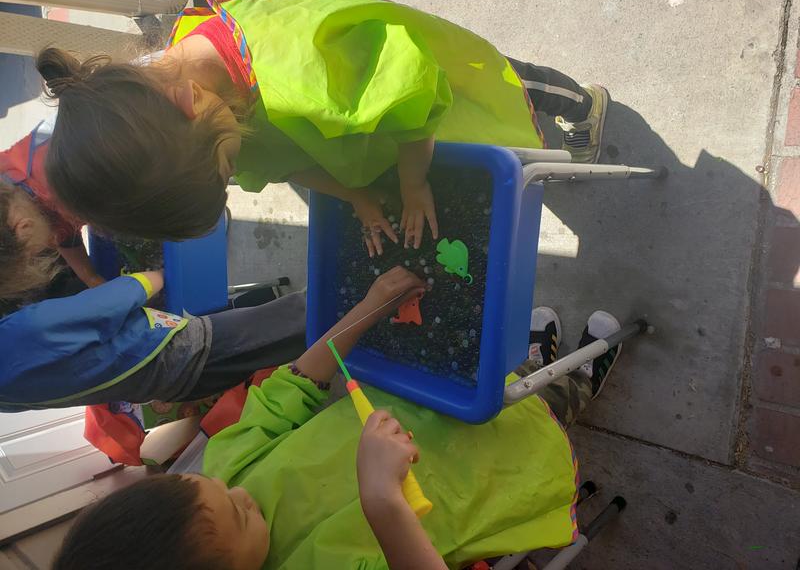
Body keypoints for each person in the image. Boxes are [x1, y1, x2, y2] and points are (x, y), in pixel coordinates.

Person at [51, 267, 623, 569]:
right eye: (239, 519)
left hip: (430, 406)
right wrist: (382, 501)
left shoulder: (226, 469)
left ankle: (538, 360)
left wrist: (369, 305)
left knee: (506, 382)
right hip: (488, 474)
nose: (242, 496)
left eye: (206, 485)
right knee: (544, 410)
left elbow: (290, 391)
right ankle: (581, 379)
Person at [36, 0, 608, 258]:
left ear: (188, 104)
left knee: (508, 87)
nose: (236, 169)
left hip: (433, 83)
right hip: (369, 123)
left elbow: (416, 101)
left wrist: (413, 186)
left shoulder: (306, 66)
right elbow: (281, 163)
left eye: (227, 163)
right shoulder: (181, 116)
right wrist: (355, 196)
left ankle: (584, 106)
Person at [0, 268, 307, 412]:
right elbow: (111, 302)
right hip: (180, 350)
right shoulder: (19, 333)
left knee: (281, 343)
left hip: (174, 385)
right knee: (299, 317)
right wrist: (159, 275)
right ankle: (354, 310)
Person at [0, 119, 104, 304]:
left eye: (33, 255)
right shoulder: (14, 195)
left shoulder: (70, 187)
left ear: (24, 227)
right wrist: (91, 278)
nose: (50, 245)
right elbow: (62, 232)